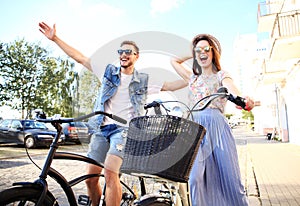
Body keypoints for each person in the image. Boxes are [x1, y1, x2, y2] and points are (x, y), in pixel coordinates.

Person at [38, 22, 187, 206]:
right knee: (90, 179)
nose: (124, 54)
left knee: (110, 172)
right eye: (121, 51)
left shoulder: (143, 80)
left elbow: (171, 85)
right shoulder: (108, 72)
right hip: (101, 129)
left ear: (136, 56)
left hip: (124, 131)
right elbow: (80, 58)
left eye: (128, 52)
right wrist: (55, 39)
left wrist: (193, 77)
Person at [171, 33, 254, 206]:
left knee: (230, 178)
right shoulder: (192, 78)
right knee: (195, 179)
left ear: (213, 52)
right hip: (194, 130)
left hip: (217, 127)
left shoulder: (221, 75)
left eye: (206, 49)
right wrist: (193, 51)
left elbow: (232, 88)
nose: (202, 53)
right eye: (198, 50)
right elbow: (174, 61)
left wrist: (242, 98)